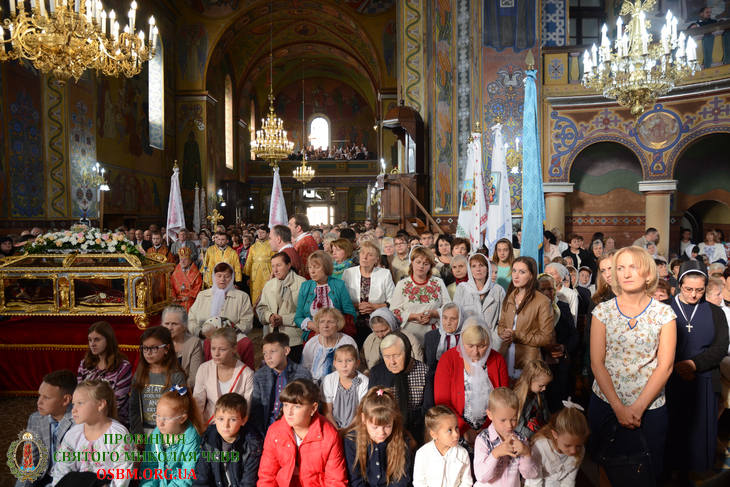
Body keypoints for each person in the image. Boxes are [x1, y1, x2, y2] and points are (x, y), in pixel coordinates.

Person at [589, 246, 677, 483]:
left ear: (648, 274)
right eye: (620, 268)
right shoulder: (602, 311)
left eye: (633, 267)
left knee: (646, 473)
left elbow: (665, 367)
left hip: (649, 407)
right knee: (606, 469)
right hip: (607, 403)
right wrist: (618, 408)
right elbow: (597, 363)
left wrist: (637, 408)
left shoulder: (664, 314)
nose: (626, 273)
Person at [664, 260, 729, 472]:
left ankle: (694, 471)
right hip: (669, 378)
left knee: (699, 430)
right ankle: (668, 471)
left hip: (704, 378)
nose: (693, 295)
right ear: (679, 285)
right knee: (672, 428)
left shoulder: (716, 313)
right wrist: (679, 366)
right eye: (688, 289)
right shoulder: (663, 308)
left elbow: (721, 346)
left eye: (699, 290)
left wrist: (695, 364)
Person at [434, 318, 509, 450]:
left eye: (481, 346)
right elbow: (442, 403)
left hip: (492, 430)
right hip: (456, 431)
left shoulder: (498, 360)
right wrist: (464, 429)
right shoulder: (448, 360)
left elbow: (503, 401)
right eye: (470, 346)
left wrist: (487, 429)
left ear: (489, 342)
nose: (475, 352)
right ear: (462, 341)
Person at [258, 379, 348, 487]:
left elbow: (335, 481)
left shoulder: (329, 435)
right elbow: (267, 476)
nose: (289, 412)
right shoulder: (274, 431)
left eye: (297, 406)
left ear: (313, 408)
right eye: (286, 405)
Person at [51, 380, 133, 487]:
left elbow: (122, 475)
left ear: (100, 405)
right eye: (73, 404)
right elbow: (62, 470)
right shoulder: (73, 434)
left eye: (80, 403)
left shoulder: (118, 435)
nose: (73, 410)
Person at [16, 370, 76, 487]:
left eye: (47, 397)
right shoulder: (35, 419)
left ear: (65, 400)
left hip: (69, 479)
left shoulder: (79, 423)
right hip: (43, 476)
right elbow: (30, 460)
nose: (39, 402)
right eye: (40, 395)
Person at [498, 257, 553, 380]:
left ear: (531, 276)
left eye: (522, 272)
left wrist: (516, 335)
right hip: (506, 358)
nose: (516, 276)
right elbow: (501, 324)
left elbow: (546, 338)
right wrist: (503, 333)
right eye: (514, 271)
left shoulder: (542, 301)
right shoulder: (509, 297)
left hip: (528, 362)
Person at [344, 387, 412, 487]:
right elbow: (356, 480)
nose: (381, 433)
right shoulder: (352, 440)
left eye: (387, 426)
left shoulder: (402, 440)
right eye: (375, 427)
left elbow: (401, 479)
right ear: (363, 418)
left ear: (394, 419)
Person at [249, 332, 313, 436]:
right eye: (265, 353)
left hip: (293, 431)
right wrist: (261, 436)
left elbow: (306, 409)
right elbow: (256, 411)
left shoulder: (302, 374)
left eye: (273, 351)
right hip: (266, 431)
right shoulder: (260, 375)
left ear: (286, 351)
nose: (268, 357)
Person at [139, 386, 205, 487]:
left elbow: (187, 477)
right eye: (157, 416)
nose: (160, 423)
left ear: (182, 419)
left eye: (166, 418)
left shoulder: (192, 440)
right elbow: (149, 468)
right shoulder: (154, 436)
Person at [473, 387, 538, 487]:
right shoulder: (483, 440)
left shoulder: (521, 440)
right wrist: (495, 454)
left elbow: (530, 475)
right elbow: (481, 477)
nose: (509, 425)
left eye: (513, 419)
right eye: (503, 420)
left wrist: (526, 453)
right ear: (490, 415)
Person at [194, 393, 263, 487]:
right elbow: (201, 478)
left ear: (243, 421)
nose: (225, 425)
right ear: (215, 418)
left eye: (232, 420)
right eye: (221, 419)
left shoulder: (252, 445)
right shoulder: (209, 439)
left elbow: (248, 483)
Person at [368, 331, 429, 435]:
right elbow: (373, 407)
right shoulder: (377, 372)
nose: (392, 362)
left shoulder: (424, 372)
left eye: (397, 355)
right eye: (387, 356)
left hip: (418, 430)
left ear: (407, 352)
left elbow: (427, 409)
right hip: (386, 431)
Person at [129, 326, 186, 435]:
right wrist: (137, 434)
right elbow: (134, 408)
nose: (148, 352)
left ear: (166, 348)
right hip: (144, 430)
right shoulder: (139, 375)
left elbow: (181, 407)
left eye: (154, 348)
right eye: (144, 348)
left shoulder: (176, 376)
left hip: (168, 431)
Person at [390, 246, 452, 347]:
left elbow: (449, 308)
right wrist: (414, 316)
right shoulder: (402, 284)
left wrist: (434, 313)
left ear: (431, 266)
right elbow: (394, 312)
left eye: (426, 264)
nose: (421, 266)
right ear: (412, 262)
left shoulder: (438, 282)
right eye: (418, 262)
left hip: (434, 335)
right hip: (409, 336)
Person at [535, 274, 578, 412]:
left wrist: (563, 347)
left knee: (560, 405)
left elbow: (574, 335)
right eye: (542, 290)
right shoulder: (533, 310)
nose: (547, 293)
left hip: (561, 365)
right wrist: (545, 347)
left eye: (550, 289)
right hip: (540, 364)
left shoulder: (563, 308)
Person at [193, 327, 254, 425]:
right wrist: (199, 428)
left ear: (234, 349)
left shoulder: (246, 374)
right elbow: (198, 403)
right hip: (209, 424)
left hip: (234, 426)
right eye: (213, 348)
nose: (216, 354)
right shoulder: (204, 368)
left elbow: (246, 409)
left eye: (222, 349)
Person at [77, 321, 132, 427]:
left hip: (115, 420)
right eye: (90, 340)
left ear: (109, 340)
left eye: (97, 339)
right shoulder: (84, 364)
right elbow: (80, 395)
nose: (92, 344)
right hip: (88, 417)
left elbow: (117, 402)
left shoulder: (123, 366)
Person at [524, 400, 590, 487]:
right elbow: (534, 483)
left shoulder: (580, 450)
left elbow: (568, 482)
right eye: (567, 445)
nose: (573, 451)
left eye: (578, 445)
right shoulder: (540, 447)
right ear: (555, 434)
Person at [343, 240, 396, 348]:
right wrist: (358, 306)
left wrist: (373, 307)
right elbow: (343, 300)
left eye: (370, 255)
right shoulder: (348, 273)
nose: (365, 257)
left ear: (377, 259)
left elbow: (393, 300)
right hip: (354, 322)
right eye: (363, 253)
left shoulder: (385, 274)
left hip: (378, 323)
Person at [295, 251, 358, 341]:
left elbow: (350, 314)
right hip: (313, 335)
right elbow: (298, 317)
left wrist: (331, 328)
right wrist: (313, 326)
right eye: (309, 267)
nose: (312, 271)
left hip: (336, 335)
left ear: (326, 267)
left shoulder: (339, 285)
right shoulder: (305, 286)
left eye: (316, 267)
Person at [257, 252, 307, 362]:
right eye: (273, 266)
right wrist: (269, 317)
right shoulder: (269, 284)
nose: (275, 270)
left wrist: (283, 320)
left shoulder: (302, 284)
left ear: (288, 265)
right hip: (272, 338)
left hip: (293, 340)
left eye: (279, 265)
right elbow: (261, 308)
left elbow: (306, 313)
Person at [188, 262, 254, 340]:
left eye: (227, 276)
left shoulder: (242, 297)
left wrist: (226, 335)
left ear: (232, 278)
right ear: (213, 277)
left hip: (231, 341)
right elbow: (191, 319)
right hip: (203, 340)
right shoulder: (202, 295)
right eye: (219, 276)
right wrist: (200, 332)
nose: (222, 279)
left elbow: (247, 323)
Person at [413, 406, 473, 487]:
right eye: (449, 430)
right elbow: (419, 483)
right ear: (434, 434)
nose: (456, 434)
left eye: (456, 427)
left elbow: (466, 482)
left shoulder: (462, 453)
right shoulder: (422, 453)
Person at [454, 254, 504, 350]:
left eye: (481, 265)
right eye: (474, 266)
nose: (478, 269)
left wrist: (495, 342)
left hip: (492, 341)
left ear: (488, 269)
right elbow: (457, 318)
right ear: (469, 270)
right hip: (469, 341)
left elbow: (503, 320)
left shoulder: (498, 290)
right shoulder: (462, 288)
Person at [301, 308, 358, 384]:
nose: (325, 326)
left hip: (343, 384)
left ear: (338, 324)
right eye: (322, 322)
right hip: (314, 386)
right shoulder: (312, 343)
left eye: (330, 322)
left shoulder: (348, 342)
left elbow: (355, 368)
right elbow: (304, 371)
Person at [322, 345, 369, 431]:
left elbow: (361, 413)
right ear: (335, 364)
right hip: (332, 426)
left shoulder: (364, 382)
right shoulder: (329, 380)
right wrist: (336, 430)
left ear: (357, 363)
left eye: (349, 360)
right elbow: (327, 412)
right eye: (340, 361)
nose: (344, 365)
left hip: (355, 426)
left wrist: (346, 430)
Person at [361, 308, 423, 373]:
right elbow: (362, 362)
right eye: (376, 331)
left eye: (383, 330)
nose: (380, 335)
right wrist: (366, 373)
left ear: (391, 324)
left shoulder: (409, 339)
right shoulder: (371, 339)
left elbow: (419, 367)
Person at [160, 305, 204, 390]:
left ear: (184, 326)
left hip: (183, 391)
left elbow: (194, 377)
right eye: (167, 324)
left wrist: (178, 391)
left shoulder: (194, 343)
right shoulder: (157, 342)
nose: (170, 328)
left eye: (174, 324)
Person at [512, 360, 553, 439]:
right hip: (526, 437)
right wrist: (537, 437)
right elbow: (519, 428)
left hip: (541, 432)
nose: (544, 388)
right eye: (541, 385)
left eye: (545, 385)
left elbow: (545, 414)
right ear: (530, 379)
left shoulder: (539, 394)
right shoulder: (518, 398)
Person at [424, 303, 465, 375]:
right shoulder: (430, 336)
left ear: (460, 319)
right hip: (437, 376)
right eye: (445, 318)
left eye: (453, 319)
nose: (448, 323)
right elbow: (430, 367)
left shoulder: (466, 336)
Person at [242, 226, 274, 305]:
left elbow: (275, 261)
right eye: (259, 232)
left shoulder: (271, 245)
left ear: (268, 234)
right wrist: (247, 277)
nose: (260, 234)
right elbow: (249, 262)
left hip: (267, 275)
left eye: (262, 232)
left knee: (268, 295)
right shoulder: (253, 247)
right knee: (255, 296)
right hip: (255, 276)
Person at [171, 247, 203, 313]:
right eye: (181, 259)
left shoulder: (196, 273)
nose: (183, 261)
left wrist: (189, 296)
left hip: (190, 298)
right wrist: (173, 296)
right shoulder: (175, 273)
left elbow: (198, 287)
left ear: (190, 261)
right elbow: (171, 285)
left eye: (185, 259)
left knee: (188, 304)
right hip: (177, 298)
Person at [289, 214, 320, 280]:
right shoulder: (306, 239)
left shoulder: (303, 244)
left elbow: (301, 269)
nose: (288, 227)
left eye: (290, 225)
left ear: (298, 228)